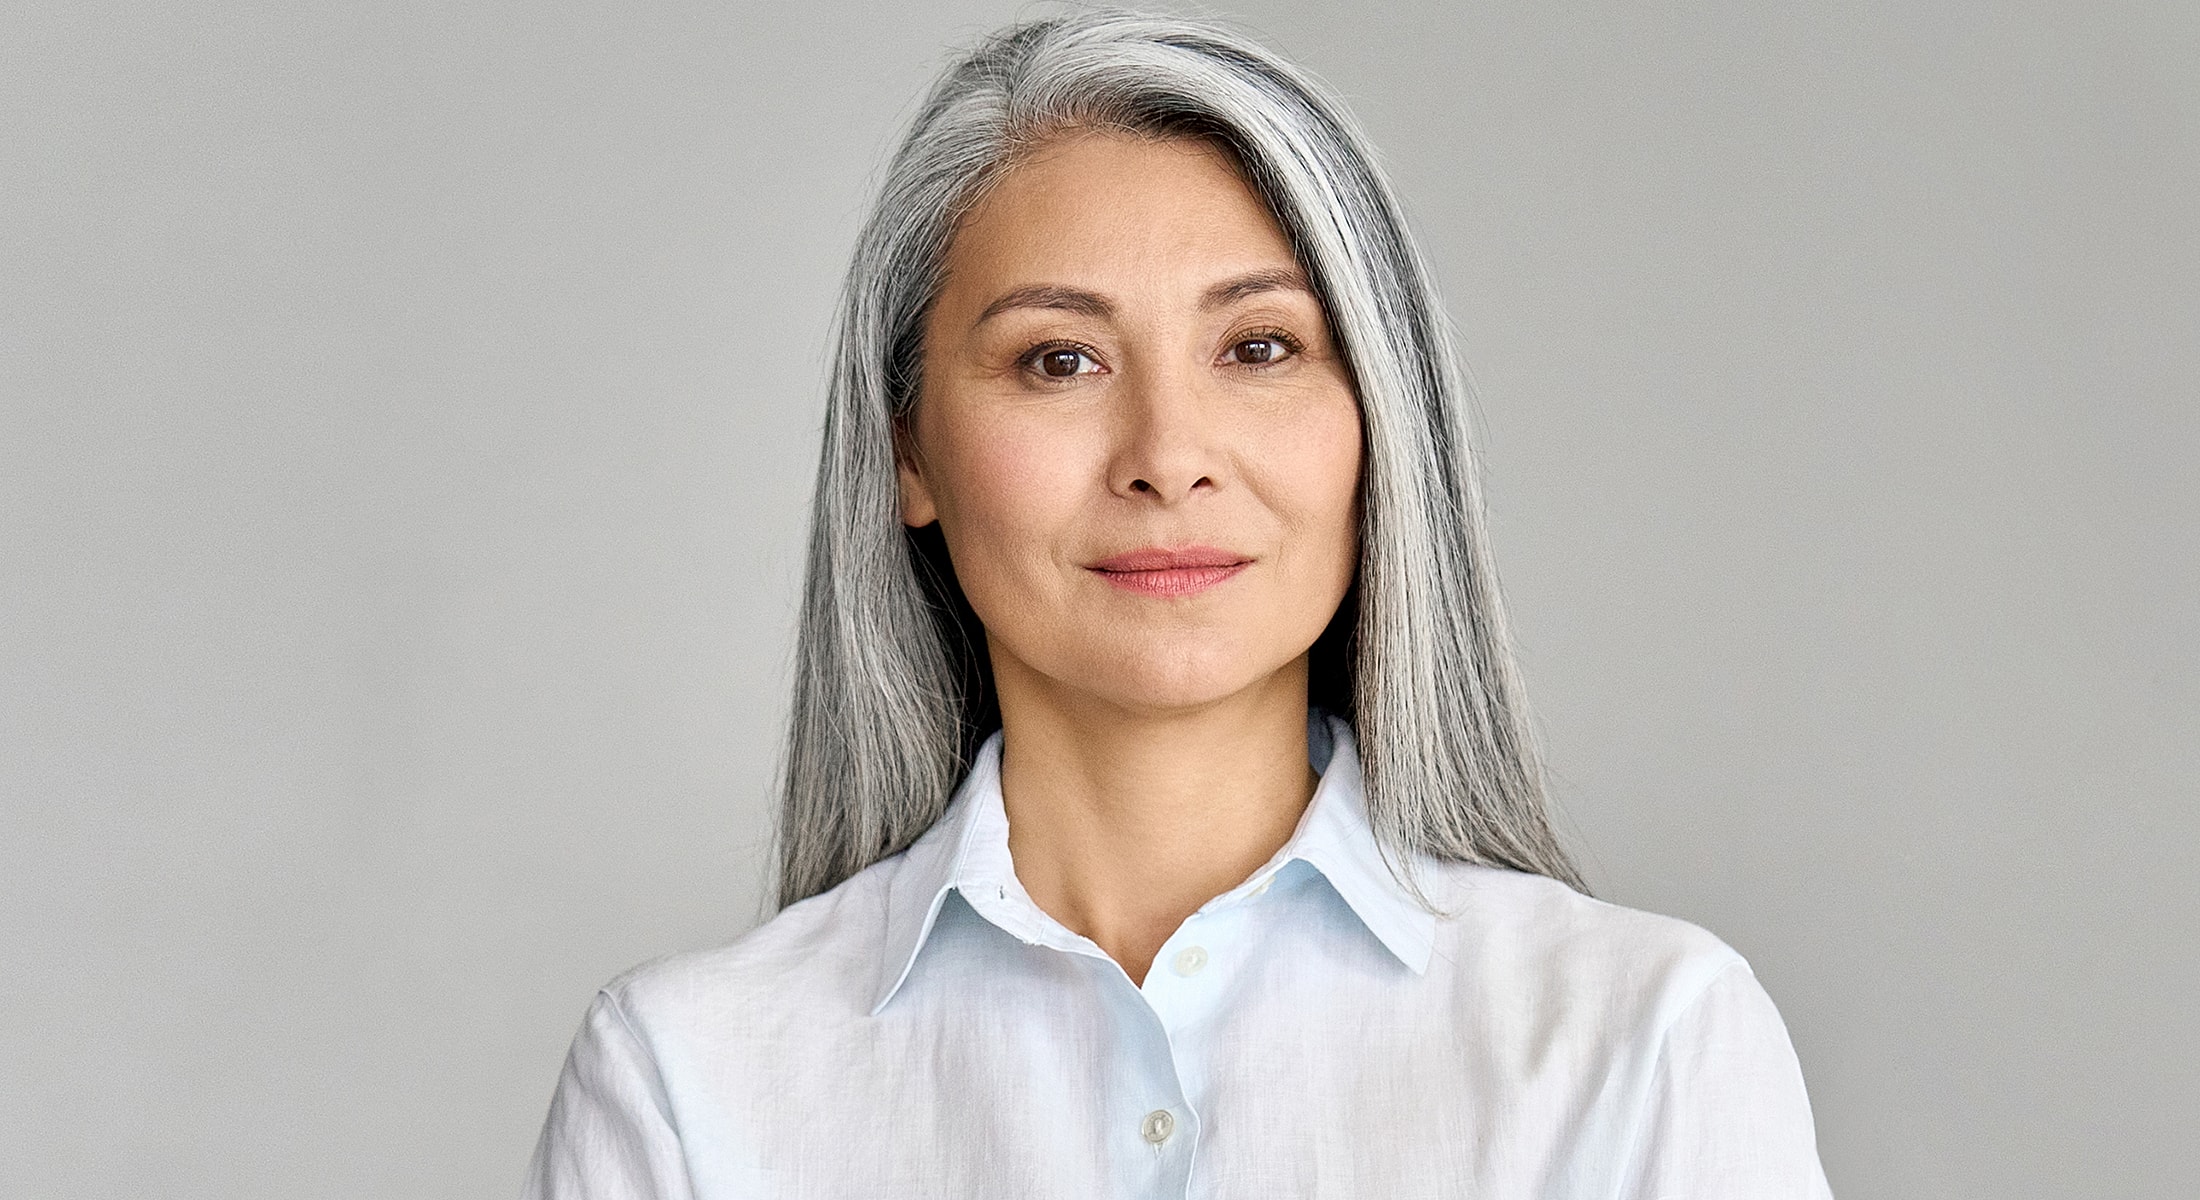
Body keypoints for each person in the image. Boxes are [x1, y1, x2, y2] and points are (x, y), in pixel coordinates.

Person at [524, 9, 1832, 1197]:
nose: (1168, 451)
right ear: (908, 453)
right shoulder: (686, 1087)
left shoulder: (1647, 1042)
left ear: (1380, 424)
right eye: (1059, 360)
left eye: (1260, 348)